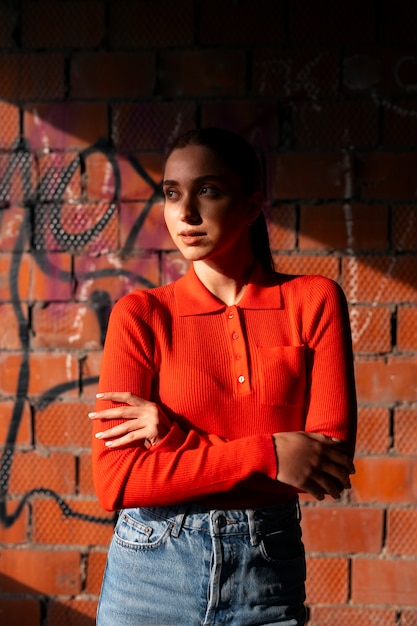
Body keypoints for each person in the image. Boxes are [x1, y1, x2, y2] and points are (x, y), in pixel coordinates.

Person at [90, 127, 357, 626]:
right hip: (151, 571)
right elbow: (117, 481)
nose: (186, 213)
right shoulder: (142, 315)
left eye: (208, 191)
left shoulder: (313, 301)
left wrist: (171, 436)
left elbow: (327, 462)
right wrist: (267, 452)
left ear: (253, 205)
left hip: (266, 573)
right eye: (173, 194)